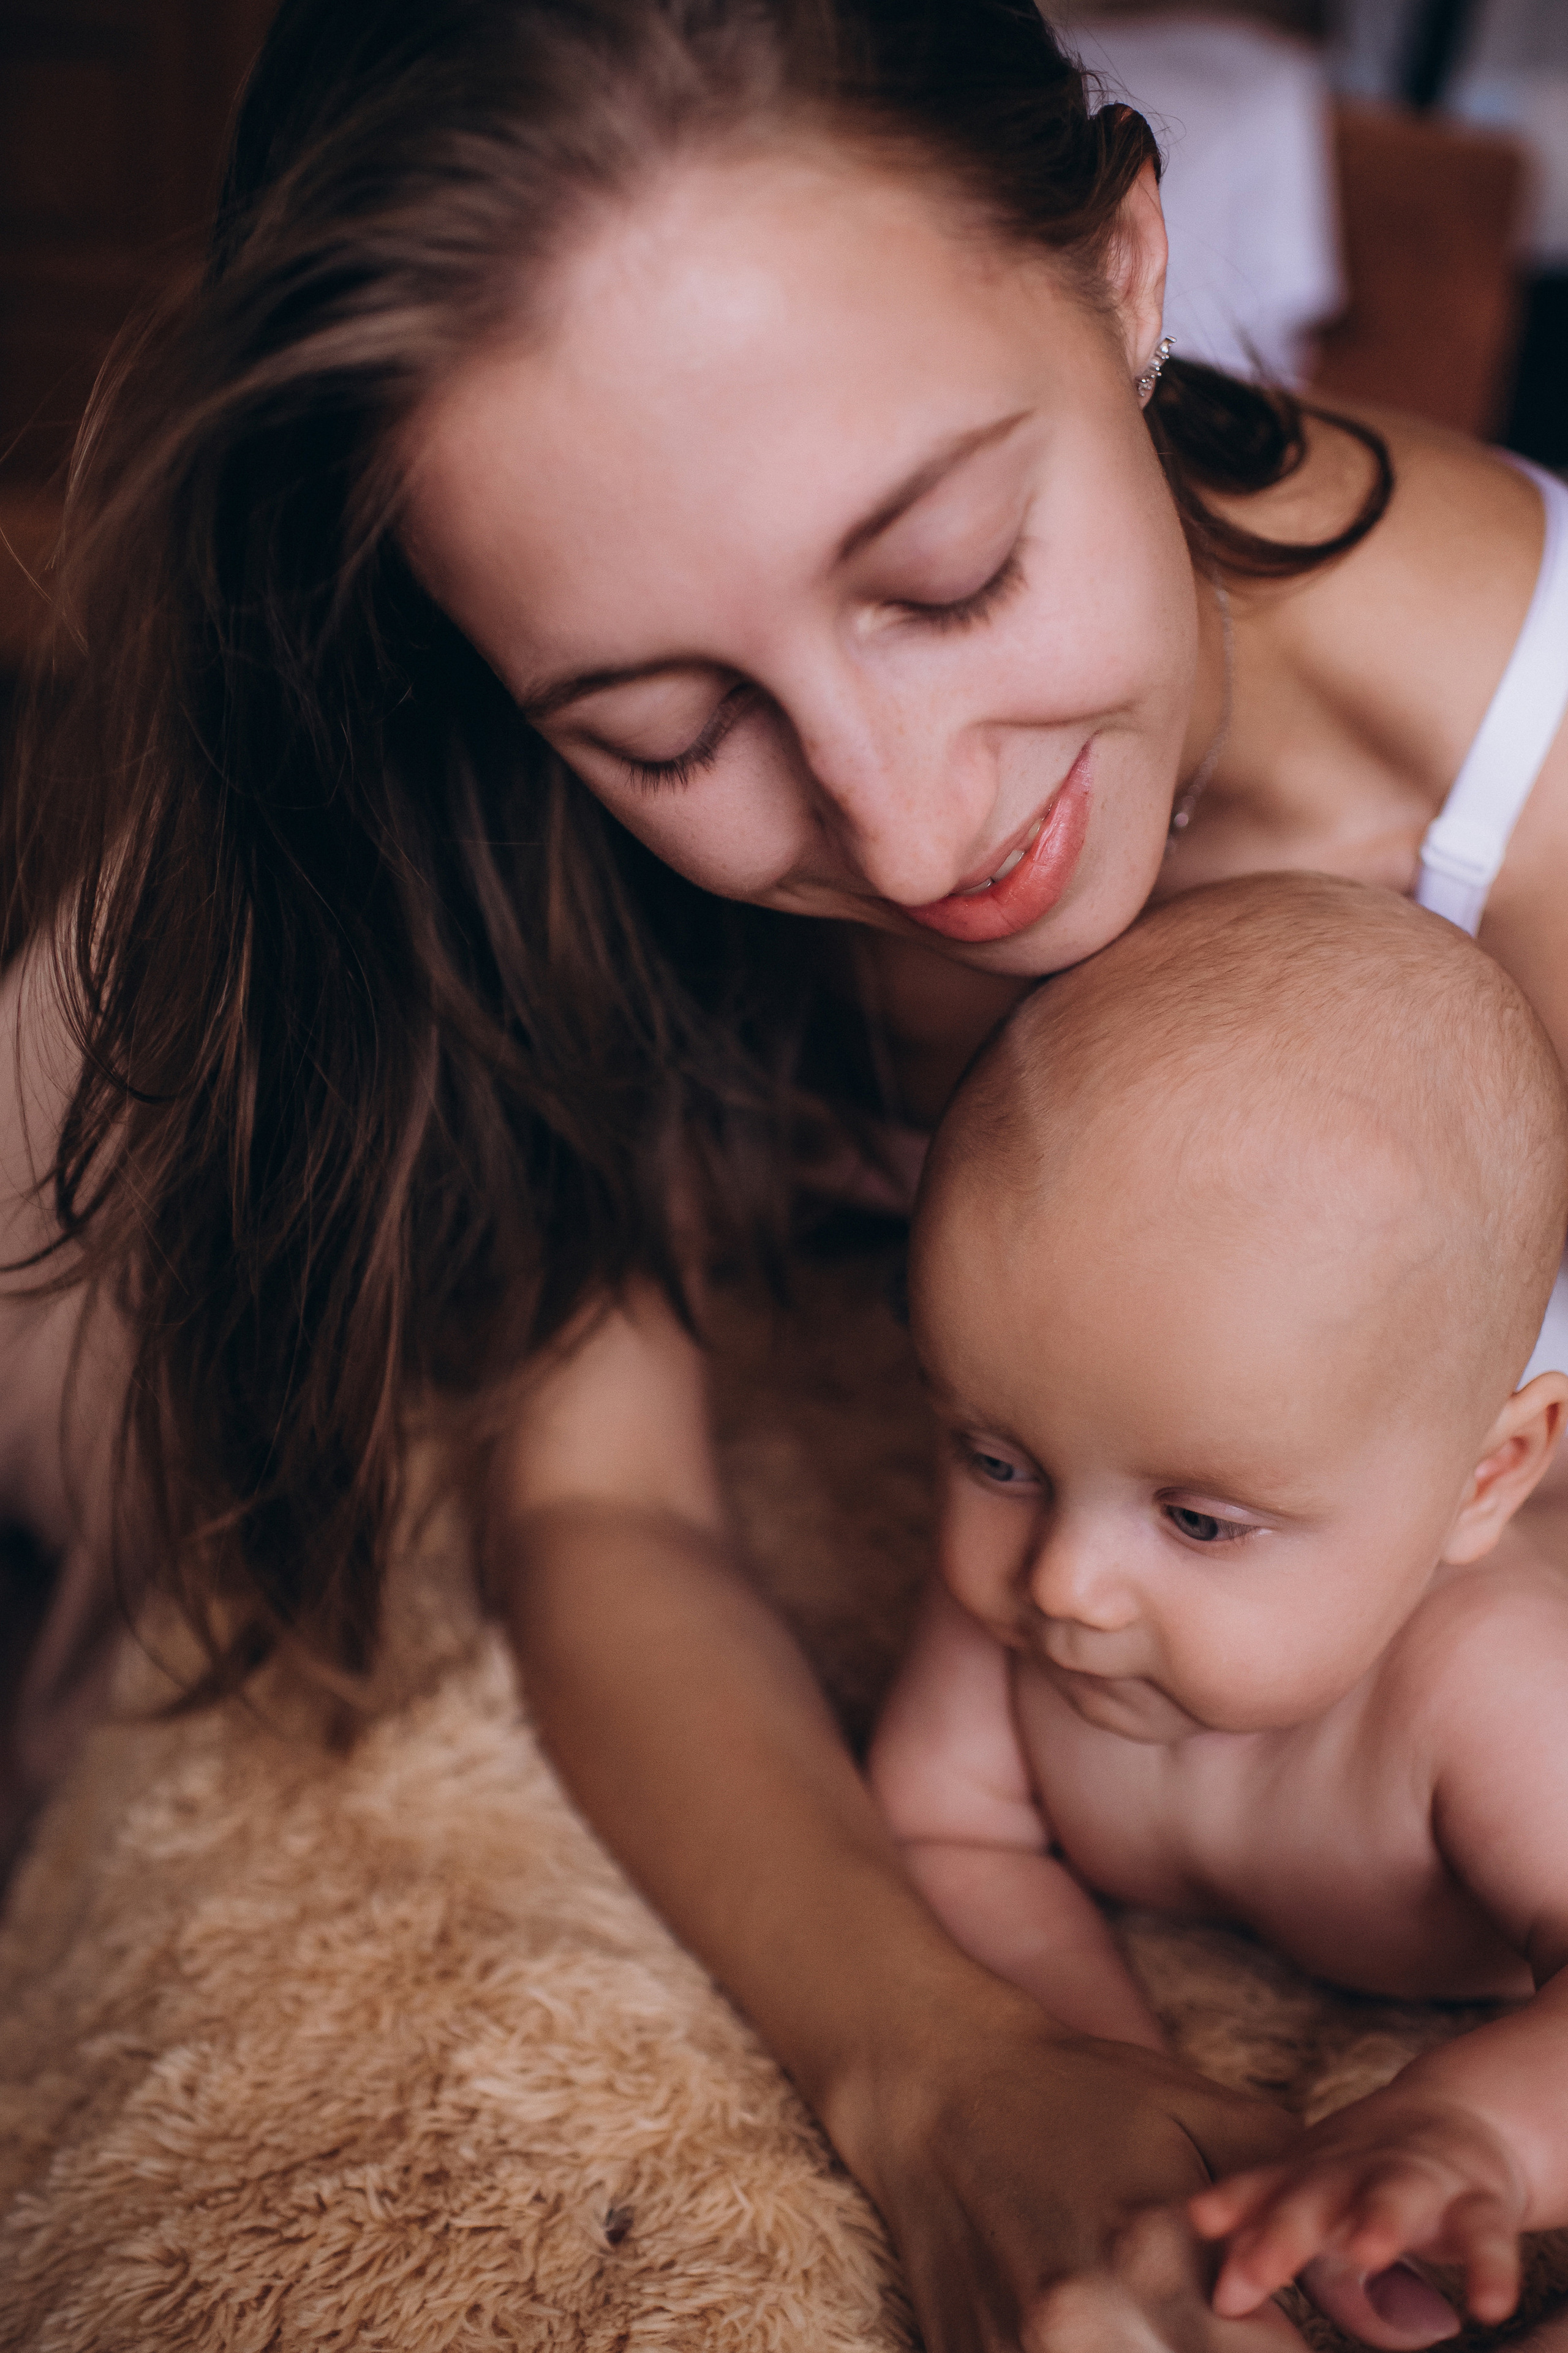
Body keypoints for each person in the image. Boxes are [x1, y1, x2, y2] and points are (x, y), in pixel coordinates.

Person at [4, 1, 1567, 2346]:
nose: (908, 824)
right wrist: (943, 2072)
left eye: (945, 569)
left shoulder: (1535, 809)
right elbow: (601, 1514)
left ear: (1132, 269)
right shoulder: (509, 821)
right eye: (669, 727)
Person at [870, 872, 1568, 2353]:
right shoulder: (1013, 1607)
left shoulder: (1484, 1688)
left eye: (1196, 1518)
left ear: (1480, 1479)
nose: (1063, 1581)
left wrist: (1474, 2133)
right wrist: (1109, 2069)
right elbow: (946, 1833)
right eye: (991, 1455)